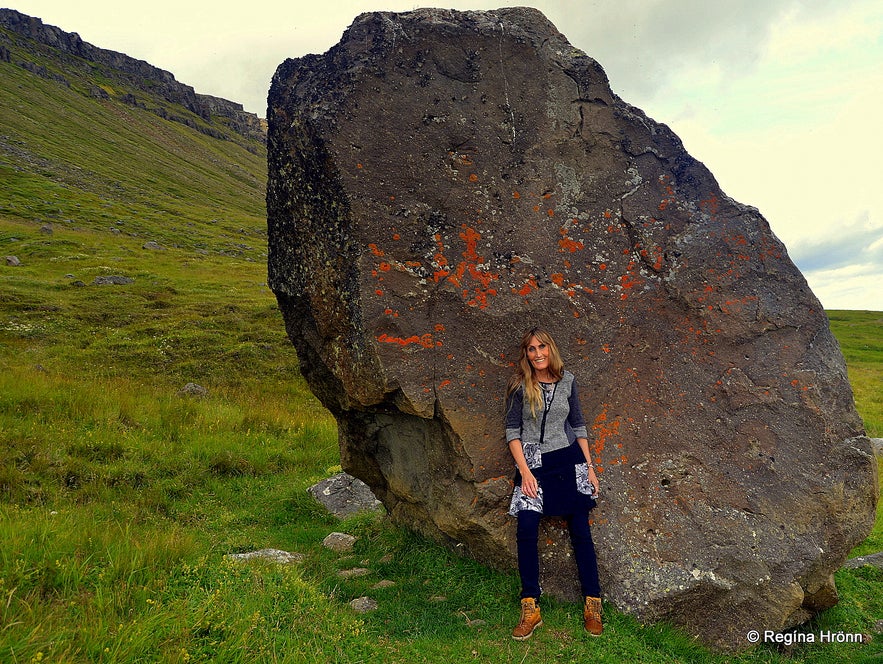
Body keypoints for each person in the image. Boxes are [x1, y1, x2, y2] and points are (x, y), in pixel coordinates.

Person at [504, 327, 602, 640]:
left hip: (569, 459)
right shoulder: (520, 386)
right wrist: (526, 473)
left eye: (542, 348)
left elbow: (578, 424)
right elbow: (512, 432)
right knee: (527, 527)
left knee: (581, 530)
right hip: (532, 461)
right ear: (526, 354)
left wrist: (589, 468)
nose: (537, 354)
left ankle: (593, 604)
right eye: (531, 349)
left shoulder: (568, 381)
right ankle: (530, 606)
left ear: (551, 349)